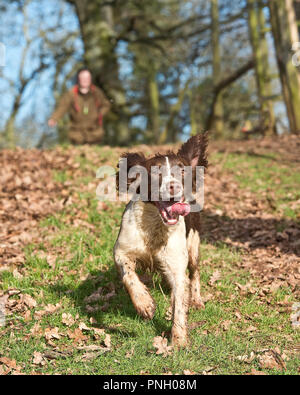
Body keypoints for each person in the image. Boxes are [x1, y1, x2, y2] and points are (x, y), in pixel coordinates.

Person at [48, 67, 111, 144]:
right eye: (83, 78)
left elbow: (106, 105)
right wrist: (54, 118)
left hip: (95, 132)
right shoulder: (71, 94)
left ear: (90, 79)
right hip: (76, 134)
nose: (85, 80)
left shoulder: (96, 92)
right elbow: (62, 107)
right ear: (78, 79)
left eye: (87, 78)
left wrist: (99, 114)